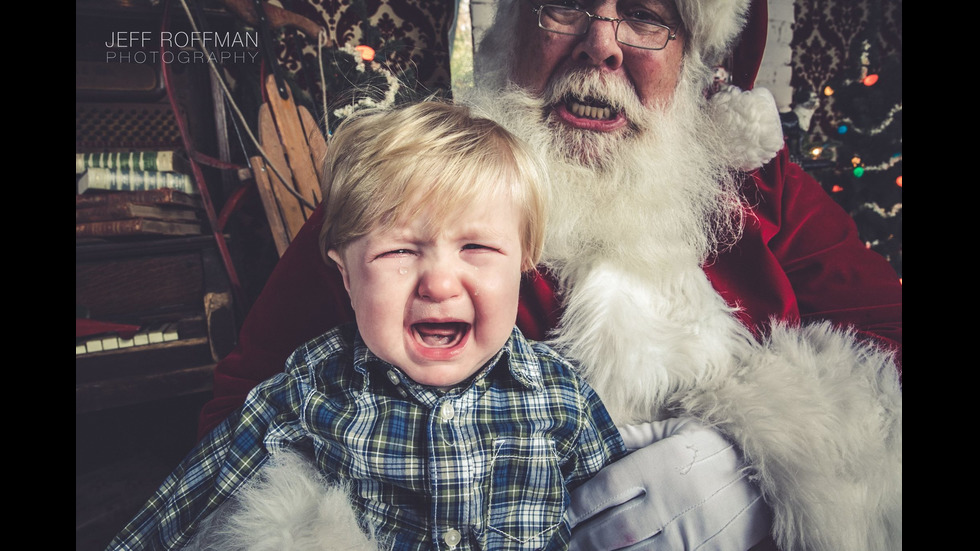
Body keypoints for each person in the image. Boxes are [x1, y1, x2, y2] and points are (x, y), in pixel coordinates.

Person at [197, 1, 903, 550]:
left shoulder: (761, 189)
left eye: (648, 16)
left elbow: (888, 342)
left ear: (691, 58)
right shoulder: (406, 188)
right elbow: (234, 430)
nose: (602, 43)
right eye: (564, 3)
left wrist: (757, 464)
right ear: (511, 27)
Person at [109, 101, 635, 550]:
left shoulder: (561, 396)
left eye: (476, 247)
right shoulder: (309, 388)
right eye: (400, 250)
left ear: (524, 261)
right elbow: (181, 508)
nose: (440, 285)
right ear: (345, 273)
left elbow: (626, 522)